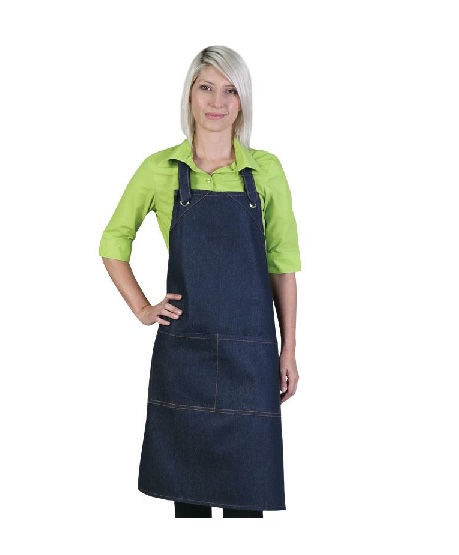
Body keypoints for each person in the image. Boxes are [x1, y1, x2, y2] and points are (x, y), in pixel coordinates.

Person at [99, 46, 301, 518]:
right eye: (206, 87)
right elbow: (113, 242)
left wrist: (288, 349)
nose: (217, 102)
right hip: (185, 352)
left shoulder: (265, 170)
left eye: (230, 90)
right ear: (190, 94)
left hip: (250, 356)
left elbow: (283, 265)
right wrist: (143, 308)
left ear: (243, 100)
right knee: (188, 501)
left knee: (246, 501)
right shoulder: (160, 169)